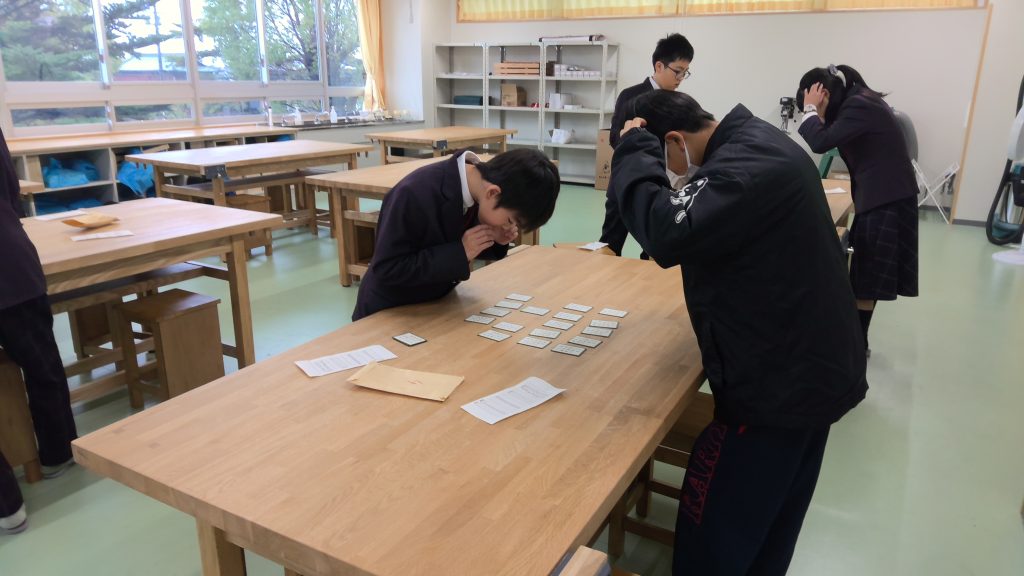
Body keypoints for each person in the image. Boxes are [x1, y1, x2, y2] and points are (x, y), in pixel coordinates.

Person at [610, 90, 868, 575]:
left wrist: (633, 149)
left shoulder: (739, 169)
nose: (674, 178)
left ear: (673, 140)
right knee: (771, 525)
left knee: (717, 534)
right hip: (814, 371)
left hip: (777, 389)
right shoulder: (756, 141)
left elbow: (665, 230)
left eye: (664, 161)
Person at [796, 64, 919, 357]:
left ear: (822, 94)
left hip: (885, 199)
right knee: (867, 277)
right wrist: (817, 113)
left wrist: (810, 111)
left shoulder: (858, 105)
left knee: (866, 280)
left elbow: (820, 142)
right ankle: (856, 342)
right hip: (886, 196)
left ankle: (855, 345)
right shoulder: (859, 100)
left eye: (812, 103)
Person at [352, 149, 560, 321]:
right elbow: (388, 268)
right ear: (493, 193)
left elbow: (448, 240)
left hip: (436, 305)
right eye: (510, 220)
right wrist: (461, 251)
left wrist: (494, 239)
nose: (510, 227)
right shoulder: (414, 192)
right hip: (389, 311)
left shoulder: (478, 190)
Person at [0, 127, 80, 535]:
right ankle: (57, 451)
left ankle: (7, 506)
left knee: (42, 365)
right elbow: (9, 189)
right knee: (42, 366)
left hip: (9, 263)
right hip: (10, 263)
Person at [601, 33, 694, 258]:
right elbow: (615, 137)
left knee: (654, 246)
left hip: (660, 183)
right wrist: (639, 146)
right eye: (677, 71)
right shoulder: (631, 96)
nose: (681, 78)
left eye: (685, 72)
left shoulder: (677, 101)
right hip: (626, 179)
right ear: (659, 66)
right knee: (610, 241)